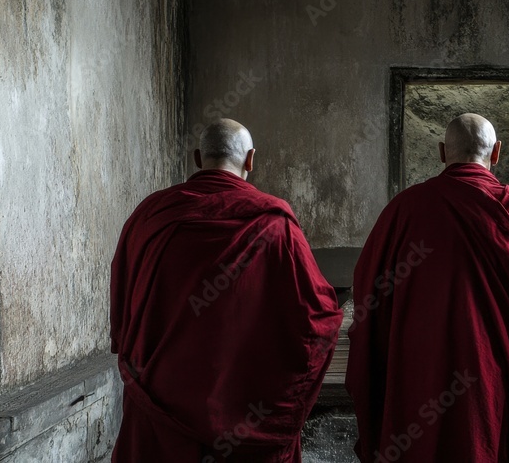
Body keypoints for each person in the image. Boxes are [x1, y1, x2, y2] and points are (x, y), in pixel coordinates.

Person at [346, 113, 509, 462]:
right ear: (497, 152)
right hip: (502, 381)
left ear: (442, 152)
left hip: (424, 375)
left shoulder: (405, 209)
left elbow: (369, 292)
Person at [109, 119, 343, 462]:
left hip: (160, 402)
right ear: (250, 159)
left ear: (197, 158)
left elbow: (122, 294)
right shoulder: (275, 224)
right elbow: (316, 316)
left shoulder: (150, 216)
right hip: (241, 406)